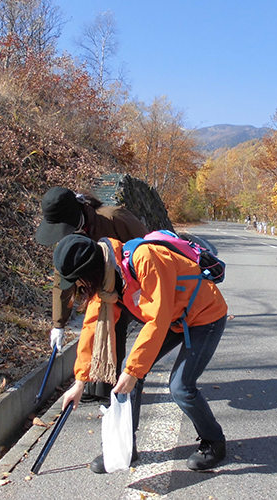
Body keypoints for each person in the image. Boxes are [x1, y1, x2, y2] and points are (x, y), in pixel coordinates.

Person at [54, 234, 228, 472]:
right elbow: (92, 329)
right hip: (175, 318)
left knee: (180, 387)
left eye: (79, 281)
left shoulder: (145, 260)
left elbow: (157, 318)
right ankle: (127, 446)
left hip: (204, 315)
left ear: (90, 271)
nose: (80, 287)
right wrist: (80, 382)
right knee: (129, 372)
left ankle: (214, 442)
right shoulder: (105, 281)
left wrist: (133, 371)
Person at [35, 186, 148, 402]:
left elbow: (147, 245)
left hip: (127, 283)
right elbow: (63, 279)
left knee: (116, 330)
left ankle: (112, 388)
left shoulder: (113, 218)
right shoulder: (69, 236)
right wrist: (58, 324)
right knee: (94, 327)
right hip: (97, 286)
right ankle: (93, 384)